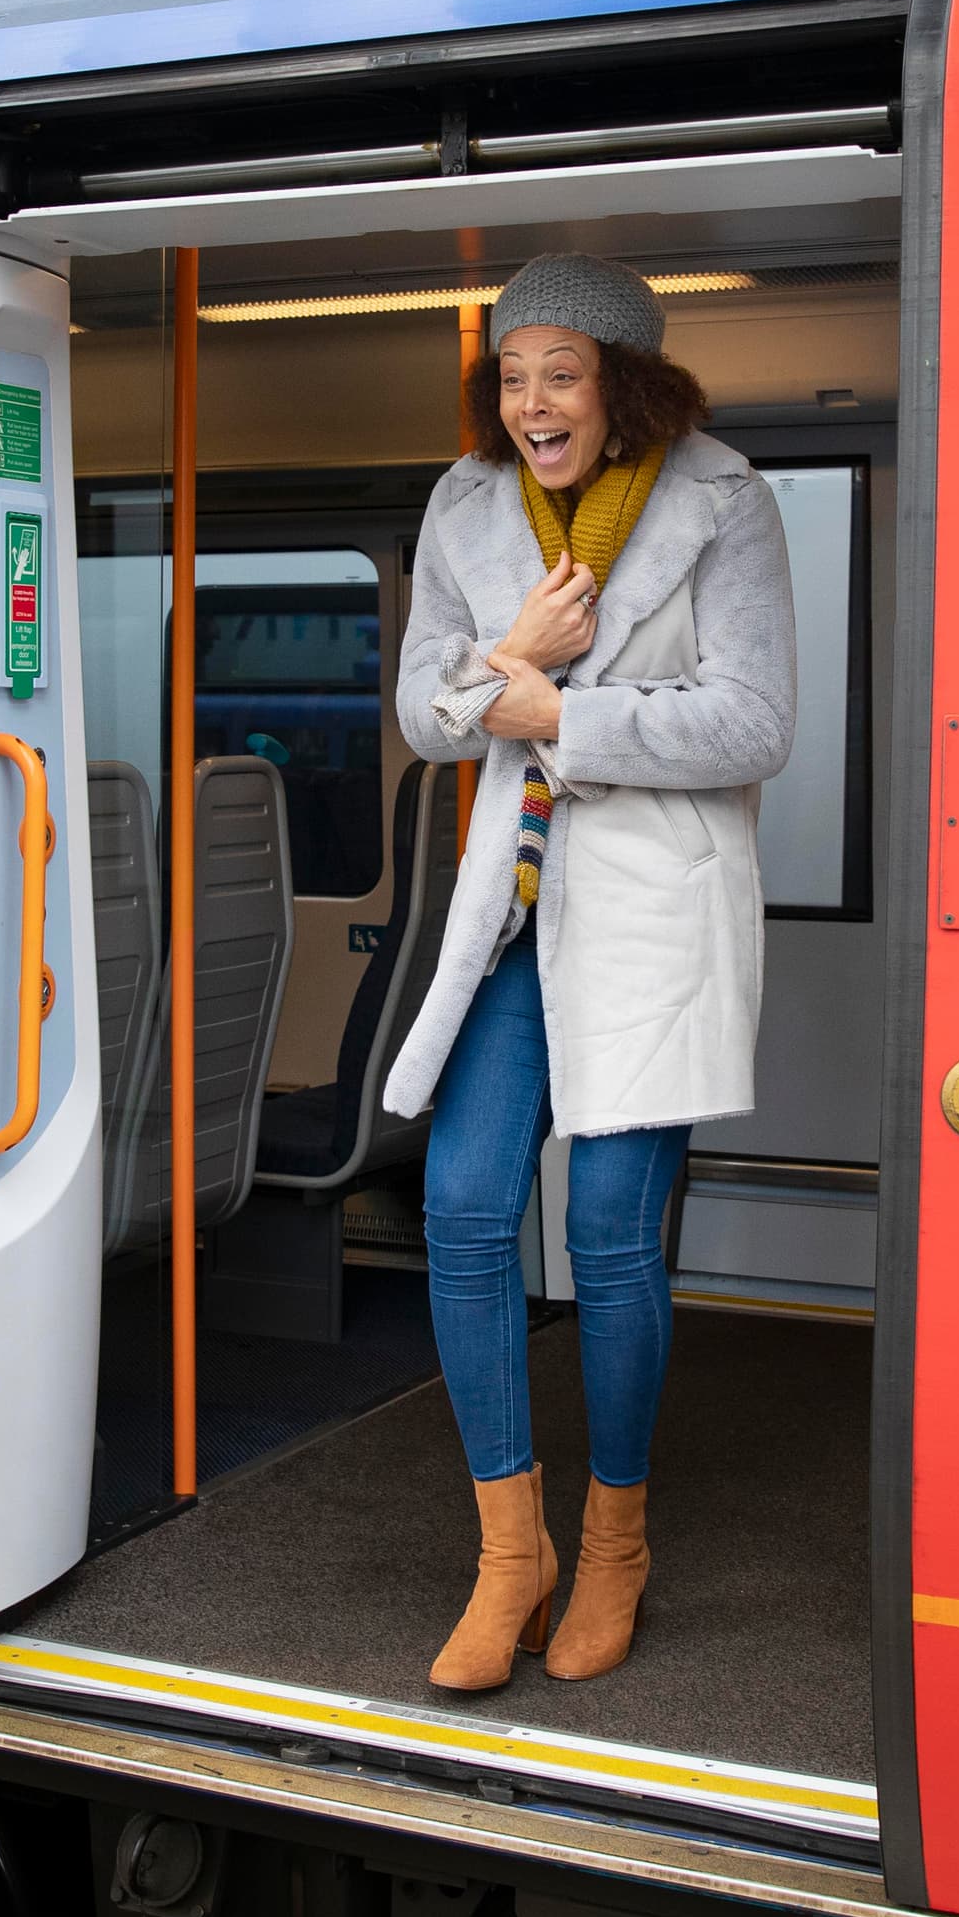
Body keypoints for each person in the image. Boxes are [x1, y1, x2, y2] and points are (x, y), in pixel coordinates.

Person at [383, 256, 795, 1691]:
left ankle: (615, 1541)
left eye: (560, 371)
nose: (532, 400)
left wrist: (561, 703)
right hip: (512, 911)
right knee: (464, 1205)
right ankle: (516, 1554)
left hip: (652, 917)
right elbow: (427, 716)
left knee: (614, 1235)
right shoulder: (465, 505)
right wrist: (510, 654)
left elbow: (756, 720)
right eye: (511, 373)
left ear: (623, 382)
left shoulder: (721, 502)